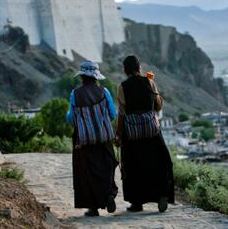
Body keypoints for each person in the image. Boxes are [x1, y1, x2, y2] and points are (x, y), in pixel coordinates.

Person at [117, 55, 175, 213]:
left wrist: (118, 135)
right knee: (160, 163)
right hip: (152, 131)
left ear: (125, 70)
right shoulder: (149, 81)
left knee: (133, 166)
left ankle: (137, 203)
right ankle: (162, 194)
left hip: (132, 134)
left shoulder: (122, 87)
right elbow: (157, 106)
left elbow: (121, 113)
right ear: (139, 67)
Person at [66, 61, 118, 217]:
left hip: (84, 140)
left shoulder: (75, 94)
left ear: (82, 76)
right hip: (104, 139)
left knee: (87, 172)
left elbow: (71, 118)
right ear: (96, 77)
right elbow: (113, 115)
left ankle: (93, 208)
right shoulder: (104, 91)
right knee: (107, 166)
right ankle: (109, 194)